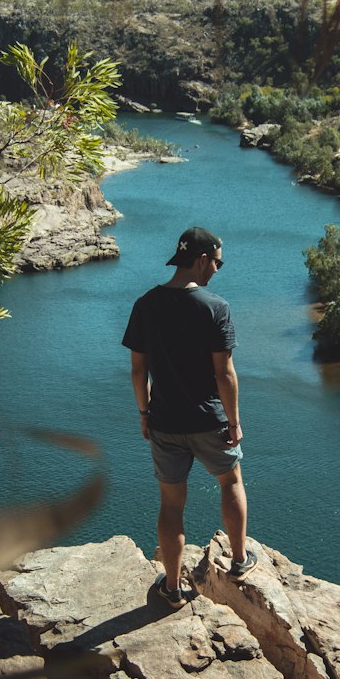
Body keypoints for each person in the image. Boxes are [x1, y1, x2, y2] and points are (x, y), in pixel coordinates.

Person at [122, 225, 257, 609]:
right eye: (217, 262)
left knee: (170, 503)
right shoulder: (216, 307)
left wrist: (145, 413)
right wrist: (233, 422)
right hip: (209, 420)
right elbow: (224, 374)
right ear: (201, 260)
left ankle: (172, 587)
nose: (217, 269)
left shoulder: (145, 304)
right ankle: (238, 560)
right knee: (230, 481)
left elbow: (137, 371)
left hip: (165, 421)